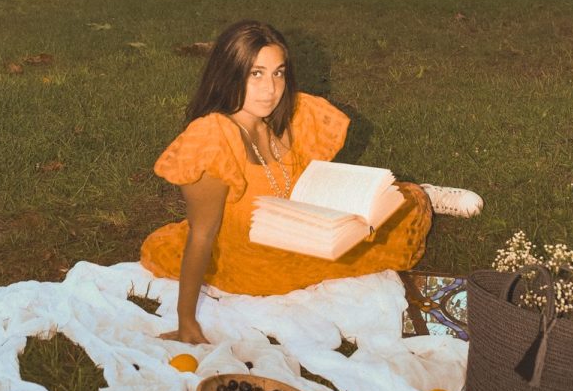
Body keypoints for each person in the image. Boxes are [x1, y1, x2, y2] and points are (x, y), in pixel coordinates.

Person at [140, 19, 483, 344]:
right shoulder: (212, 138)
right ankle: (421, 195)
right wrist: (186, 320)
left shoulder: (285, 117)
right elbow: (202, 234)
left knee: (385, 208)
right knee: (404, 211)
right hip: (251, 264)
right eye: (255, 74)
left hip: (302, 232)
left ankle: (409, 196)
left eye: (278, 73)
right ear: (229, 73)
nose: (270, 89)